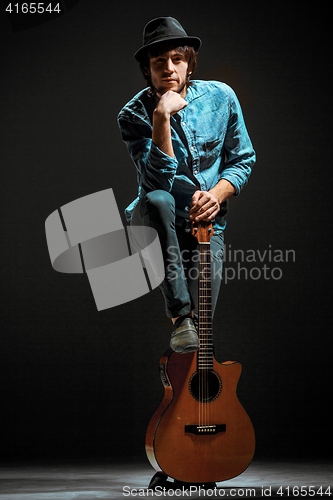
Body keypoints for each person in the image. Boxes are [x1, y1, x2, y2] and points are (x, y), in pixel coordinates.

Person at [118, 17, 255, 353]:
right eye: (158, 62)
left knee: (202, 326)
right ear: (147, 70)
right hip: (155, 222)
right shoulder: (133, 116)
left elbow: (243, 158)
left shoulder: (221, 97)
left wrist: (216, 194)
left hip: (208, 222)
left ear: (189, 64)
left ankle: (181, 385)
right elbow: (155, 182)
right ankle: (179, 317)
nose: (168, 69)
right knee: (160, 199)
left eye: (177, 59)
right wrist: (161, 117)